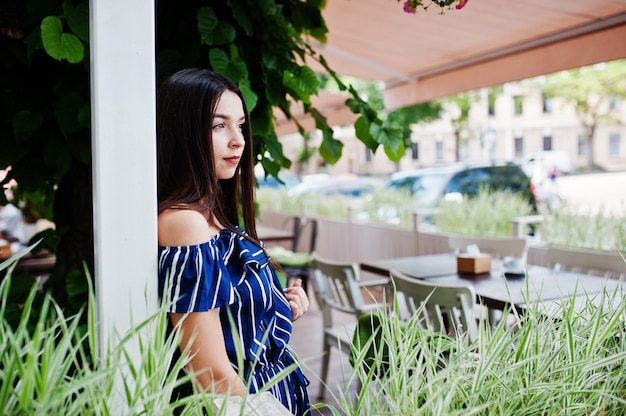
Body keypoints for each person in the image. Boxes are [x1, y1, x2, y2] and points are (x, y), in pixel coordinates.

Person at [156, 68, 311, 415]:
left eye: (240, 124)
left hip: (266, 393)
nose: (238, 140)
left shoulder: (211, 215)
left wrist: (276, 306)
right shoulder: (184, 223)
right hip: (244, 404)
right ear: (183, 133)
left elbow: (229, 322)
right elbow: (210, 372)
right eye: (218, 125)